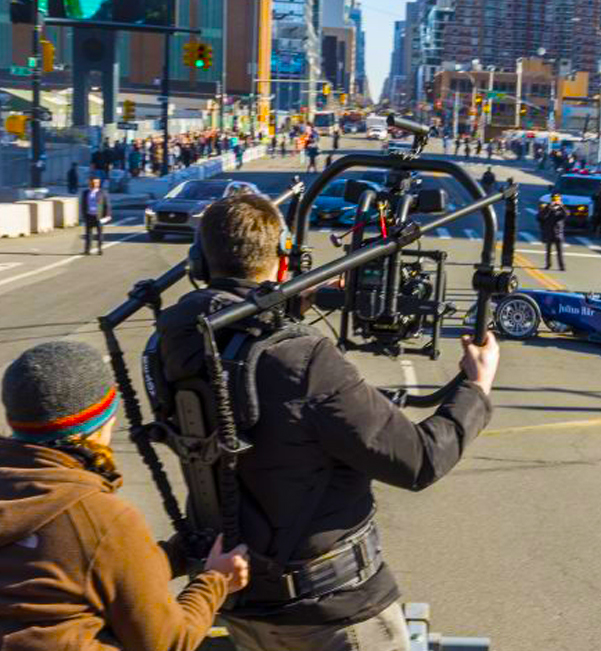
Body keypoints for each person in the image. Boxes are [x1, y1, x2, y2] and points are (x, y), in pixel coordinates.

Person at [155, 194, 500, 651]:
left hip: (241, 603)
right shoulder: (304, 360)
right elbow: (419, 460)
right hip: (333, 616)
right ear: (282, 258)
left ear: (200, 260)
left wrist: (282, 311)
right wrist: (476, 388)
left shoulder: (173, 343)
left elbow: (251, 384)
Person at [0, 341, 250, 650]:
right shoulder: (99, 516)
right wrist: (217, 580)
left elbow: (62, 572)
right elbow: (169, 641)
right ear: (102, 420)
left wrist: (166, 557)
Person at [80, 177, 111, 255]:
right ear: (89, 183)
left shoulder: (102, 193)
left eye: (96, 182)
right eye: (92, 182)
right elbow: (83, 204)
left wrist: (108, 215)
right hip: (89, 215)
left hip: (99, 217)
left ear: (99, 183)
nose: (94, 184)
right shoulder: (85, 193)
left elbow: (107, 205)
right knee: (88, 234)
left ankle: (100, 249)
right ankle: (87, 250)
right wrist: (83, 215)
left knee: (99, 234)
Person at [539, 194, 568, 271]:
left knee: (560, 252)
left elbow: (567, 214)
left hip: (559, 233)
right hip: (549, 232)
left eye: (557, 199)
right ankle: (548, 264)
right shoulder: (547, 208)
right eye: (554, 199)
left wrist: (561, 206)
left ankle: (562, 266)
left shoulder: (561, 209)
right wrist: (549, 207)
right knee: (548, 251)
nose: (555, 201)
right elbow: (541, 216)